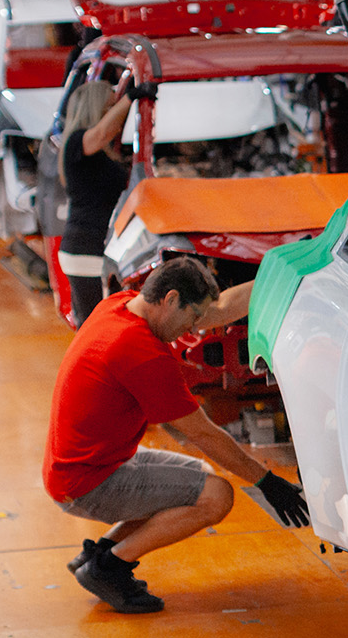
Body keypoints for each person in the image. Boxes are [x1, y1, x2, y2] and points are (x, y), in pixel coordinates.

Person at [44, 258, 309, 614]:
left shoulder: (120, 305)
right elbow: (204, 434)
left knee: (197, 477)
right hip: (86, 482)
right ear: (170, 299)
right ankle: (110, 568)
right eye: (193, 317)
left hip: (85, 464)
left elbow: (222, 309)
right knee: (216, 496)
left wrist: (288, 275)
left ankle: (98, 555)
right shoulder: (140, 352)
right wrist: (266, 481)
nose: (197, 327)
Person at [58, 74, 148, 325]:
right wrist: (130, 97)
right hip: (85, 247)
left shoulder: (100, 155)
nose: (115, 115)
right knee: (95, 327)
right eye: (108, 108)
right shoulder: (77, 142)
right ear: (94, 109)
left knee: (101, 325)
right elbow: (102, 133)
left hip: (95, 247)